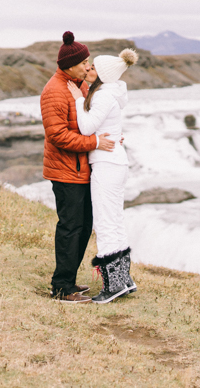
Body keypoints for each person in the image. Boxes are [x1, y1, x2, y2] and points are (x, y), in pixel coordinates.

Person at [40, 31, 116, 303]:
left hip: (81, 169)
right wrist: (95, 142)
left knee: (84, 227)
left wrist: (110, 135)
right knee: (71, 228)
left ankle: (68, 281)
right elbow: (58, 135)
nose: (88, 66)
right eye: (84, 62)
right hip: (66, 171)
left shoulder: (78, 85)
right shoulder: (55, 91)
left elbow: (91, 118)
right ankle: (61, 288)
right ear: (69, 65)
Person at [67, 48, 138, 304]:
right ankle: (123, 280)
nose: (88, 69)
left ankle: (113, 286)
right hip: (115, 162)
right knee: (115, 220)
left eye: (93, 68)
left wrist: (77, 100)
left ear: (103, 75)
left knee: (106, 222)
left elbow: (86, 127)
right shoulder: (111, 93)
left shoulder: (104, 96)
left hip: (107, 164)